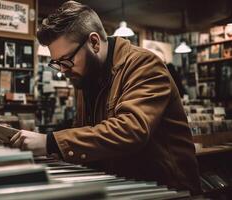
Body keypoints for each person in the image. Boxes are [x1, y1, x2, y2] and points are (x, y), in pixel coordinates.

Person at [10, 1, 201, 194]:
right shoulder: (85, 74)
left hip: (168, 189)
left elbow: (130, 129)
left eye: (67, 60)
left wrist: (50, 143)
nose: (63, 70)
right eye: (57, 63)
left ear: (94, 42)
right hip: (124, 185)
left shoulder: (144, 64)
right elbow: (87, 132)